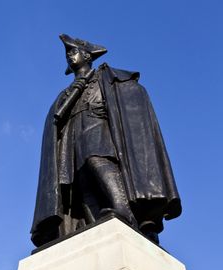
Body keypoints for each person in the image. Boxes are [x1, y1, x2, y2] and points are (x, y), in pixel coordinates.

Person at [31, 34, 181, 248]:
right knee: (82, 183)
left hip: (96, 124)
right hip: (73, 133)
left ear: (87, 55)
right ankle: (96, 224)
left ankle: (122, 208)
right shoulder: (66, 92)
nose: (70, 57)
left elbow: (126, 97)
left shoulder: (105, 77)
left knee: (96, 159)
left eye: (73, 52)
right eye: (67, 54)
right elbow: (56, 119)